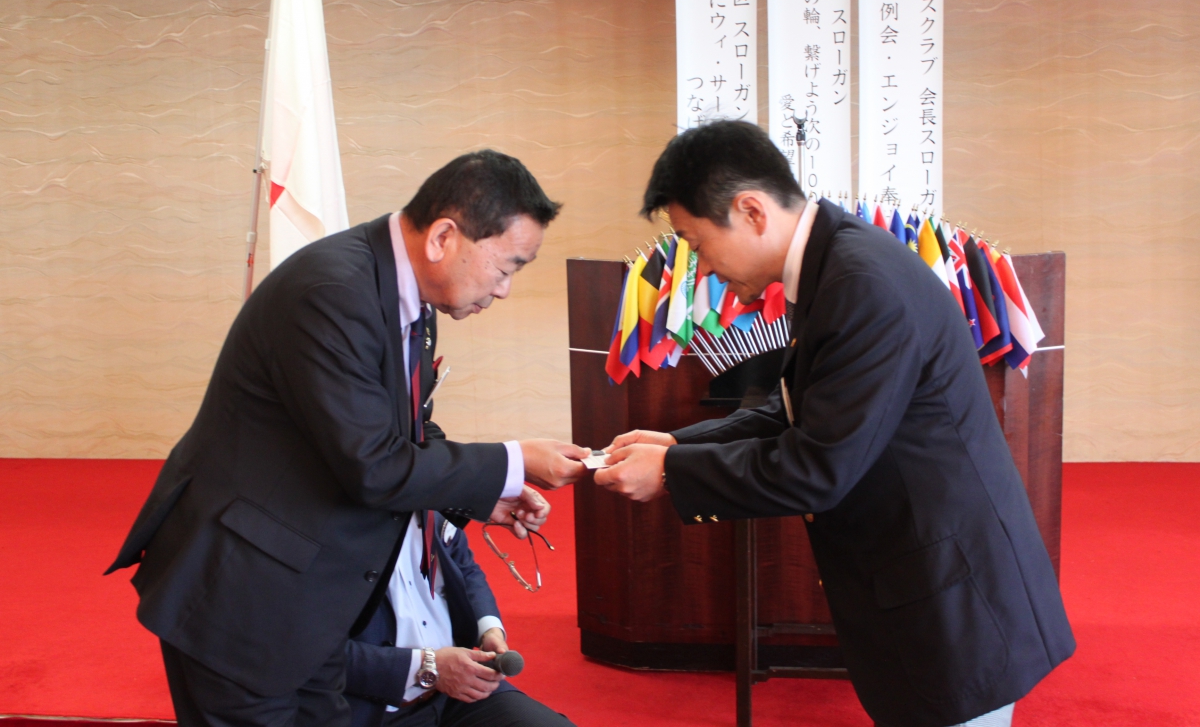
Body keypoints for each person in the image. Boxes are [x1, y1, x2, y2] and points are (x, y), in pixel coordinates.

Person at [595, 121, 1075, 727]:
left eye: (697, 242)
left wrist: (671, 471)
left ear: (751, 211)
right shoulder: (835, 263)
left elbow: (818, 467)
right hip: (927, 581)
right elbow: (799, 407)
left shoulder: (860, 282)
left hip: (954, 598)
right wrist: (677, 443)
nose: (703, 269)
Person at [107, 149, 587, 726]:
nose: (504, 289)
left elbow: (405, 432)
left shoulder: (411, 303)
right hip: (246, 599)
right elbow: (375, 465)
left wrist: (482, 495)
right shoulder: (332, 291)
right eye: (506, 267)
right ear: (443, 237)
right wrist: (514, 461)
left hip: (315, 605)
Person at [344, 502, 573, 727]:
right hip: (371, 707)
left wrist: (489, 629)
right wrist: (427, 667)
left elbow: (465, 569)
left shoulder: (427, 503)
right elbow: (325, 656)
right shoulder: (330, 533)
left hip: (458, 692)